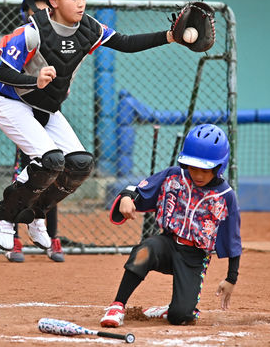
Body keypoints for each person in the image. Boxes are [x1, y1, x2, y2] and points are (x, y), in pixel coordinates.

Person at [0, 0, 177, 252]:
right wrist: (33, 78)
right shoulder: (32, 31)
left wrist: (170, 37)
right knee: (49, 161)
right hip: (10, 102)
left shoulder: (89, 29)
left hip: (47, 108)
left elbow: (126, 42)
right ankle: (3, 216)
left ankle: (36, 214)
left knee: (78, 165)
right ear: (53, 1)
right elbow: (1, 74)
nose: (81, 3)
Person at [99, 124, 242, 328]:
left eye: (205, 169)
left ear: (219, 167)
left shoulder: (225, 196)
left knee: (181, 316)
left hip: (195, 256)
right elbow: (139, 188)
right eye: (193, 167)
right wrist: (126, 197)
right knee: (145, 250)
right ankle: (117, 305)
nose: (198, 175)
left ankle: (172, 309)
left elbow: (233, 240)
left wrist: (231, 278)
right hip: (167, 244)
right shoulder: (174, 175)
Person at [3, 0, 64, 263]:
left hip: (46, 115)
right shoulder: (21, 38)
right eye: (35, 6)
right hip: (22, 115)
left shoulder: (55, 36)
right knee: (25, 174)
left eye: (45, 6)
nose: (41, 11)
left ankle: (52, 238)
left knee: (53, 173)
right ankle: (14, 239)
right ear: (25, 10)